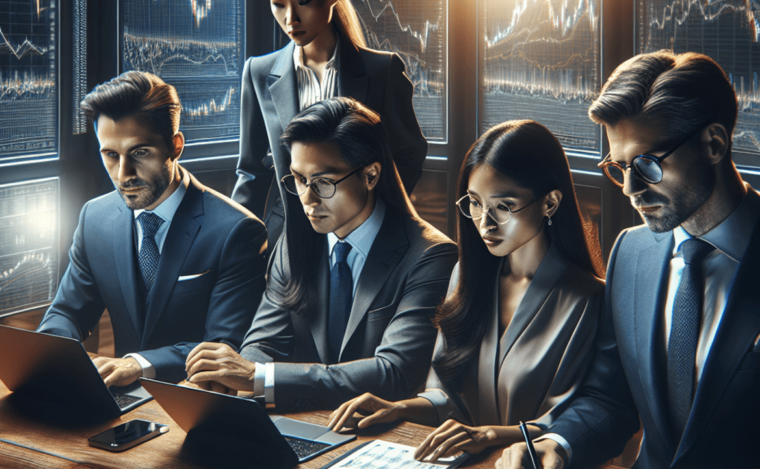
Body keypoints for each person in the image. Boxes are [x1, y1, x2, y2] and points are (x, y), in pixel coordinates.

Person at [497, 52, 760, 469]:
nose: (630, 189)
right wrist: (560, 444)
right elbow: (610, 396)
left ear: (714, 143)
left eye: (647, 165)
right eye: (619, 167)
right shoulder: (631, 254)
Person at [328, 120, 605, 462]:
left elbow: (577, 423)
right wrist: (398, 409)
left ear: (549, 203)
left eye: (503, 206)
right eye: (474, 203)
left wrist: (489, 434)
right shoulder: (465, 275)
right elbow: (447, 395)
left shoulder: (589, 299)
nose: (484, 223)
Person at [186, 97, 456, 411]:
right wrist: (230, 379)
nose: (307, 199)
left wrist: (259, 377)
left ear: (370, 175)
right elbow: (264, 343)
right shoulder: (294, 243)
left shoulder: (431, 256)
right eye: (299, 180)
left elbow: (395, 371)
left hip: (383, 431)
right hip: (304, 418)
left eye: (323, 182)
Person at [38, 71, 268, 386]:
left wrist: (139, 363)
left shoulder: (237, 231)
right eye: (110, 155)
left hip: (193, 400)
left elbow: (222, 348)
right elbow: (66, 314)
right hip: (117, 397)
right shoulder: (95, 217)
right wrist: (51, 353)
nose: (123, 174)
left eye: (140, 153)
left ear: (175, 146)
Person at [231, 0, 428, 250]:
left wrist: (373, 215)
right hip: (289, 235)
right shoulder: (258, 72)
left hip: (364, 231)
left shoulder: (382, 70)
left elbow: (409, 155)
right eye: (278, 4)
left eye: (304, 2)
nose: (291, 18)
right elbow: (251, 170)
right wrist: (232, 239)